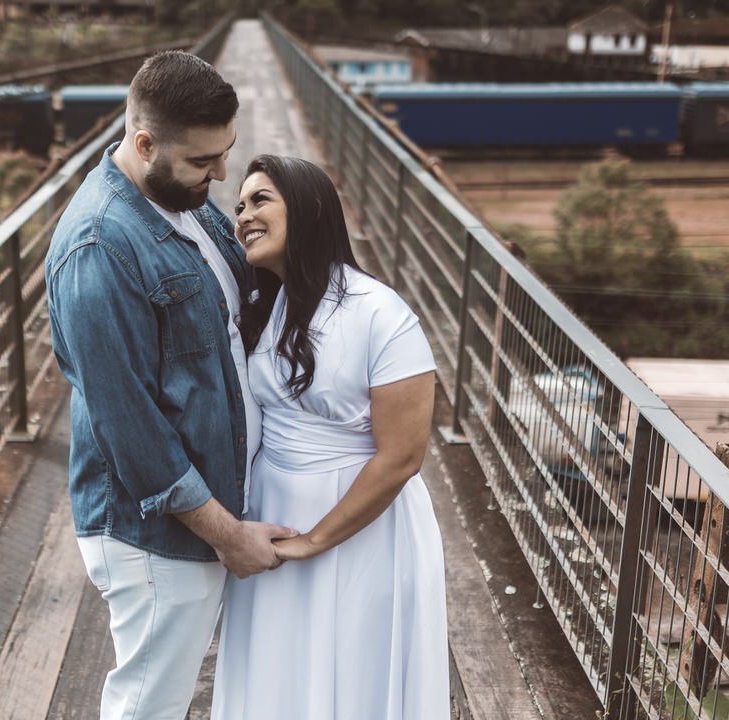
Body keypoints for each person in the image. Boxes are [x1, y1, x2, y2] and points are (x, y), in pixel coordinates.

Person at [44, 53, 295, 720]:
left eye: (225, 155)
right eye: (203, 160)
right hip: (160, 535)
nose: (219, 175)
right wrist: (225, 534)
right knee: (148, 707)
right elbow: (130, 427)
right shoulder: (100, 247)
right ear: (144, 142)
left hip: (207, 513)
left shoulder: (179, 199)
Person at [211, 155, 450, 719]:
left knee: (356, 670)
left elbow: (402, 457)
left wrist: (315, 540)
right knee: (277, 673)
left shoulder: (382, 314)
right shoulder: (263, 306)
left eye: (260, 199)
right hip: (272, 514)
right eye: (239, 204)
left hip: (361, 524)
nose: (242, 214)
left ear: (312, 207)